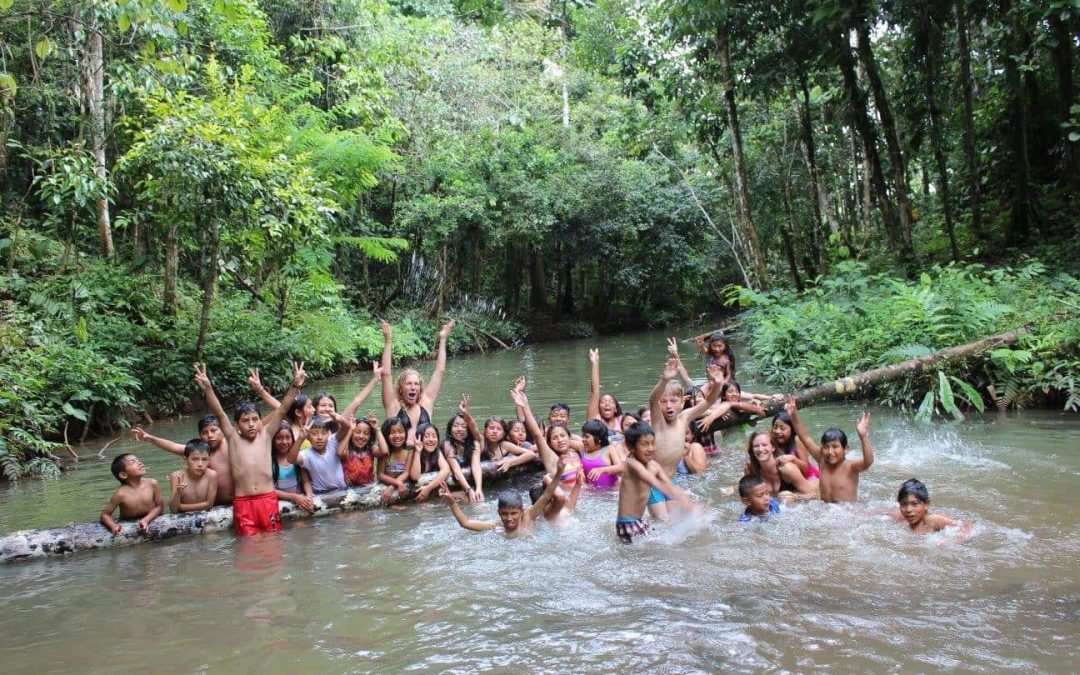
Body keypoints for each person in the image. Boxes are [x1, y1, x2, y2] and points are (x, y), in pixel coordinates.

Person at [193, 361, 305, 536]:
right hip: (244, 502)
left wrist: (295, 385)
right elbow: (220, 413)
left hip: (267, 499)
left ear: (261, 421)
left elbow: (283, 409)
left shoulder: (267, 435)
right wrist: (208, 388)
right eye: (245, 421)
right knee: (249, 547)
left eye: (255, 419)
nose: (251, 424)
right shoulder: (233, 438)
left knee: (274, 542)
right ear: (237, 424)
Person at [648, 355, 724, 517]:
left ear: (683, 402)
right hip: (653, 482)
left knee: (674, 522)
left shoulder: (684, 419)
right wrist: (664, 379)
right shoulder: (658, 421)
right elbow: (653, 400)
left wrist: (717, 384)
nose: (669, 406)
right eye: (664, 401)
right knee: (663, 523)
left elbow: (709, 402)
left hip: (671, 481)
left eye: (673, 401)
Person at [615, 422, 695, 543]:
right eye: (644, 444)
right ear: (631, 447)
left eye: (653, 443)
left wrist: (687, 502)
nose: (650, 448)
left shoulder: (654, 465)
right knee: (664, 548)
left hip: (637, 521)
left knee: (669, 535)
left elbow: (669, 485)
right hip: (627, 522)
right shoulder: (631, 463)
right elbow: (649, 478)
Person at [380, 318, 456, 442]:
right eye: (409, 384)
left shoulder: (426, 402)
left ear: (420, 387)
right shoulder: (393, 405)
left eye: (416, 384)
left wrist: (443, 339)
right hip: (401, 458)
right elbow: (386, 375)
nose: (413, 387)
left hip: (424, 456)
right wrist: (388, 341)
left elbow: (440, 371)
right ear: (401, 387)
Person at [785, 396, 873, 503]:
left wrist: (863, 436)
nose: (830, 452)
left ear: (846, 449)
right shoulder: (822, 460)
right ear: (822, 448)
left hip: (847, 512)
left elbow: (868, 462)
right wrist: (794, 417)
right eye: (826, 447)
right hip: (825, 510)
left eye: (835, 447)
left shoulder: (851, 467)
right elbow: (806, 438)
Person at [131, 414, 233, 505]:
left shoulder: (233, 443)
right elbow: (173, 446)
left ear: (223, 431)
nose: (210, 435)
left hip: (238, 500)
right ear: (200, 436)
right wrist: (150, 438)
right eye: (204, 433)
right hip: (214, 504)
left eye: (214, 430)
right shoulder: (201, 451)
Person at [439, 463, 562, 537]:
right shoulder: (496, 525)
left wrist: (559, 473)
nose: (509, 518)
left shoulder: (528, 516)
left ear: (521, 511)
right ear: (498, 513)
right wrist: (452, 503)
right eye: (504, 514)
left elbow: (546, 497)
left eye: (513, 513)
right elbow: (466, 523)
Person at [509, 389, 583, 512]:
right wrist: (525, 407)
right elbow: (537, 435)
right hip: (565, 507)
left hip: (585, 501)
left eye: (563, 436)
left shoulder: (576, 453)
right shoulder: (553, 460)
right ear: (549, 444)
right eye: (555, 438)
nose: (560, 440)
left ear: (569, 437)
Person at [100, 453, 163, 535]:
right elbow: (105, 515)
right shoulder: (121, 494)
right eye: (133, 462)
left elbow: (159, 507)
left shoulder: (152, 484)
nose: (140, 463)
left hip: (151, 518)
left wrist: (146, 520)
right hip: (127, 522)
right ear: (123, 474)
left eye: (139, 460)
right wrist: (113, 526)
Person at [289, 414, 353, 494]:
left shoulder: (332, 442)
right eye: (314, 434)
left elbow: (346, 428)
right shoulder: (307, 455)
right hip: (322, 493)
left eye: (323, 433)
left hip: (341, 490)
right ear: (308, 437)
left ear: (328, 434)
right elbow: (291, 459)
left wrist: (340, 419)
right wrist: (300, 438)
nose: (319, 437)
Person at [744, 429, 817, 499]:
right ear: (752, 450)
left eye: (764, 445)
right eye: (756, 446)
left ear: (773, 447)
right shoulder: (751, 469)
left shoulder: (787, 468)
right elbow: (747, 496)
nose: (760, 449)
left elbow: (812, 493)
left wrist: (795, 497)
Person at [891, 478, 970, 534]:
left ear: (926, 504)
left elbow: (965, 526)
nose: (908, 509)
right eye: (903, 504)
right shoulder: (902, 517)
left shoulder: (933, 520)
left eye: (914, 504)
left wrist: (949, 541)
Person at [442, 396, 483, 501]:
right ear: (450, 429)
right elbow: (456, 470)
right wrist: (469, 490)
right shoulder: (448, 445)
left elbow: (476, 466)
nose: (459, 429)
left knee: (478, 499)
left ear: (468, 430)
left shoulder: (475, 444)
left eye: (463, 426)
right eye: (455, 426)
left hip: (469, 486)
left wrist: (478, 488)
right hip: (453, 487)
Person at [271, 422, 314, 513]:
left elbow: (305, 481)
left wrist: (309, 496)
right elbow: (270, 489)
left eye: (288, 437)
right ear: (273, 440)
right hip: (281, 501)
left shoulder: (297, 457)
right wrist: (294, 497)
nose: (284, 442)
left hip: (299, 497)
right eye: (279, 438)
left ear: (292, 439)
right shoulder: (269, 460)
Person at [168, 440, 218, 514]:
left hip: (205, 515)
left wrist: (181, 507)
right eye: (195, 459)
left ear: (209, 460)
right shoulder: (176, 476)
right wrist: (178, 493)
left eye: (204, 459)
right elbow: (173, 510)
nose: (200, 464)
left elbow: (209, 504)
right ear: (185, 460)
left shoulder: (212, 475)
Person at [587, 348, 624, 441]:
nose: (607, 404)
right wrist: (595, 363)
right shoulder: (595, 421)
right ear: (598, 408)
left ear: (616, 408)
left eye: (611, 402)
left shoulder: (622, 420)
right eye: (603, 402)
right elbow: (595, 392)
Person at [342, 413, 386, 488]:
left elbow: (384, 451)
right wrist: (349, 430)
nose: (361, 436)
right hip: (348, 491)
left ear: (370, 437)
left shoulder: (370, 449)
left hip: (367, 491)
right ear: (352, 433)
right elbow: (340, 452)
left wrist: (377, 429)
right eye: (357, 432)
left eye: (366, 433)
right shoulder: (347, 449)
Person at [409, 422, 451, 501]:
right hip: (413, 495)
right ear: (419, 438)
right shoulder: (414, 451)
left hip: (429, 491)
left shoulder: (437, 451)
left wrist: (428, 488)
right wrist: (418, 452)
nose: (431, 440)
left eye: (434, 436)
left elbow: (445, 470)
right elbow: (415, 477)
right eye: (427, 436)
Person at [579, 419, 623, 488]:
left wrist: (602, 470)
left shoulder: (609, 449)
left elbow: (621, 467)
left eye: (586, 437)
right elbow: (568, 441)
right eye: (582, 436)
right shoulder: (582, 449)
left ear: (598, 438)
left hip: (611, 493)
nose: (583, 439)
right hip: (590, 494)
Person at [377, 416, 412, 501]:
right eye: (392, 432)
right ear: (386, 435)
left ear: (406, 433)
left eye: (400, 431)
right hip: (386, 487)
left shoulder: (409, 450)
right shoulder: (385, 452)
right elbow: (380, 475)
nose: (397, 435)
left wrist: (393, 486)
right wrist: (397, 483)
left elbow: (407, 472)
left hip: (401, 487)